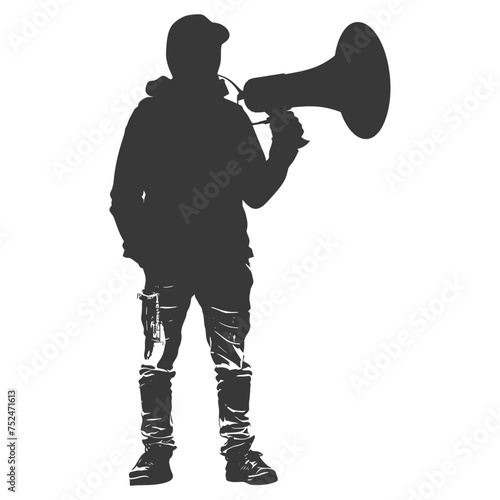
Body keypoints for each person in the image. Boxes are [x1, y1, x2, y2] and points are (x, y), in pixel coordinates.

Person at [109, 14, 305, 486]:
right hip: (214, 260)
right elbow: (123, 197)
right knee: (211, 363)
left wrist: (282, 149)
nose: (214, 60)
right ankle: (230, 455)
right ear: (186, 57)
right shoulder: (202, 115)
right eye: (207, 51)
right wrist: (283, 149)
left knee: (168, 362)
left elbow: (123, 197)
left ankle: (162, 455)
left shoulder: (189, 114)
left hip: (201, 261)